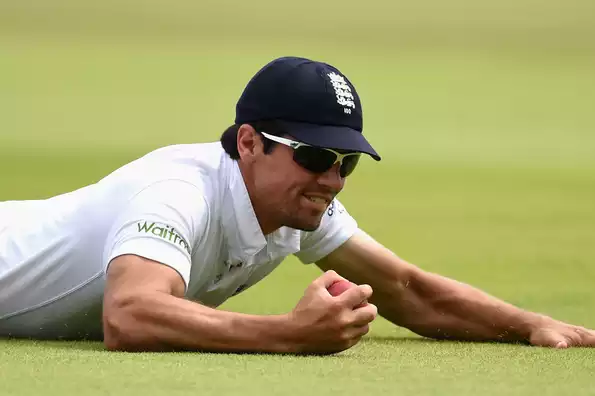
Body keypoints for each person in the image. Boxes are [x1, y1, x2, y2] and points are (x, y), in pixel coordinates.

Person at [0, 56, 593, 353]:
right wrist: (288, 333)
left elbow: (408, 290)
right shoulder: (177, 190)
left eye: (347, 162)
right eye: (315, 156)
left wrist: (529, 325)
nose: (333, 180)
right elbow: (129, 315)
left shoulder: (293, 205)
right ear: (251, 142)